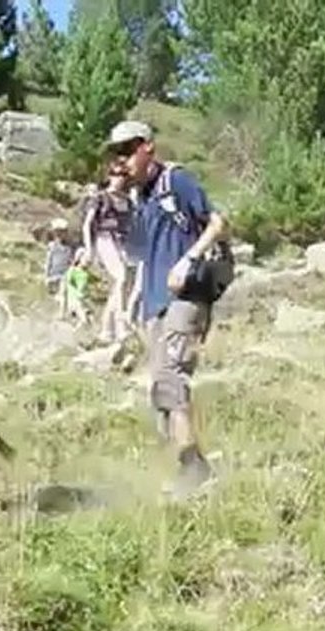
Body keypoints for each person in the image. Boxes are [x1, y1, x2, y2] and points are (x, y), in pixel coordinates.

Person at [105, 119, 228, 498]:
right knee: (159, 388)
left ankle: (194, 467)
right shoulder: (141, 199)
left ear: (148, 147)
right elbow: (139, 258)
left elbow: (219, 223)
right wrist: (128, 305)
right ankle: (185, 466)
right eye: (117, 153)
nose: (123, 159)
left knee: (171, 376)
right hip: (155, 302)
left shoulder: (176, 181)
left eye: (129, 150)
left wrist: (187, 260)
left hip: (187, 298)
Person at [82, 163, 136, 345]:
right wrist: (89, 249)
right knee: (121, 278)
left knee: (124, 284)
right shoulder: (100, 198)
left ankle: (106, 330)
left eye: (123, 175)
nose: (120, 178)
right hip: (104, 239)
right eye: (116, 174)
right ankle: (122, 327)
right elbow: (88, 224)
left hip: (122, 242)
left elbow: (132, 226)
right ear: (109, 176)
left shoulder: (127, 201)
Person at [42, 218, 75, 296]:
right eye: (57, 233)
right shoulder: (52, 246)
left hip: (66, 277)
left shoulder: (70, 247)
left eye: (63, 232)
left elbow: (72, 262)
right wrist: (47, 277)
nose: (60, 235)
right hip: (54, 276)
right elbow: (48, 262)